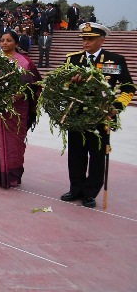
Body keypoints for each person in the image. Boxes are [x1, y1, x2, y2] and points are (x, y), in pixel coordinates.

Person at [61, 22, 134, 208]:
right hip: (77, 114)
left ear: (102, 40)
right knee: (76, 153)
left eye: (90, 39)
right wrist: (70, 84)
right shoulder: (73, 60)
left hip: (102, 116)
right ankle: (75, 188)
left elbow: (128, 88)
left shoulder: (114, 60)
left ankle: (90, 192)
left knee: (97, 154)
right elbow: (62, 86)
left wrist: (116, 107)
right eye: (84, 39)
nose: (86, 42)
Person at [0, 30, 42, 188]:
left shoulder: (25, 62)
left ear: (16, 43)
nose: (5, 43)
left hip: (15, 110)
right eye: (2, 40)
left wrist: (20, 95)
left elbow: (35, 85)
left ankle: (11, 174)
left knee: (13, 141)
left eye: (9, 40)